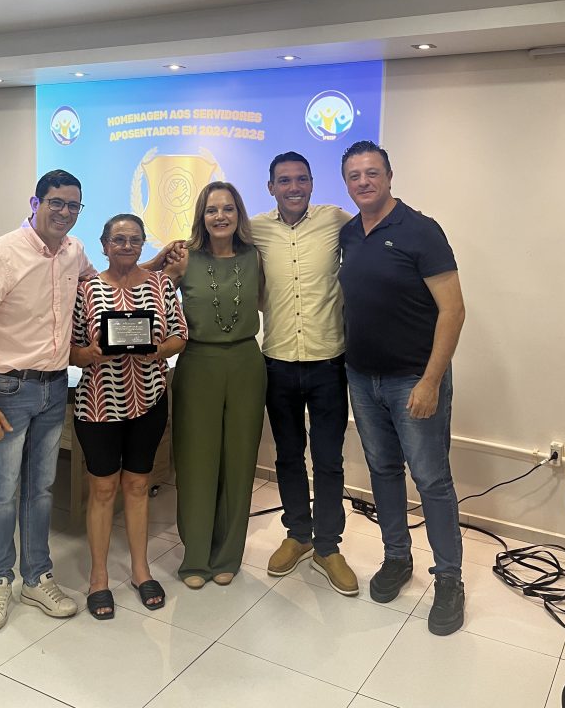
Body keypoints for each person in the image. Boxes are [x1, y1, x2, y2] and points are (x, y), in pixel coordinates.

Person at [0, 168, 95, 632]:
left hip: (55, 387)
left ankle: (36, 577)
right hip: (8, 391)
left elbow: (101, 286)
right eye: (56, 202)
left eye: (73, 205)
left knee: (41, 490)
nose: (65, 212)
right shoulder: (1, 254)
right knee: (2, 492)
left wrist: (153, 267)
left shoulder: (74, 251)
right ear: (35, 204)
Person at [338, 140, 466, 635]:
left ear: (389, 177)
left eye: (372, 173)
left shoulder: (420, 230)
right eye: (354, 175)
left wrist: (431, 380)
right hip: (361, 377)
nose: (364, 182)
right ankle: (397, 558)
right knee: (383, 471)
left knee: (431, 480)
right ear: (346, 183)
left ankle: (449, 579)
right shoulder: (350, 233)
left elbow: (453, 310)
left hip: (414, 379)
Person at [251, 152, 358, 596]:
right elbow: (210, 247)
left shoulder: (336, 220)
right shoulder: (254, 229)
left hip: (329, 362)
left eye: (301, 179)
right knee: (288, 457)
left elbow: (374, 237)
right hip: (277, 361)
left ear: (312, 183)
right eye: (284, 180)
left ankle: (328, 547)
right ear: (271, 187)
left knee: (329, 460)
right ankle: (298, 535)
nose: (293, 187)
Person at [70, 213, 187, 620]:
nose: (126, 246)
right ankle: (98, 577)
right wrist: (88, 354)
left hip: (148, 402)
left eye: (134, 239)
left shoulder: (160, 285)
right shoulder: (86, 289)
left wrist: (160, 350)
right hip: (98, 404)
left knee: (137, 486)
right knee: (103, 490)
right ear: (104, 245)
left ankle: (140, 571)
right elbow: (69, 348)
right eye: (118, 239)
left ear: (142, 245)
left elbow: (180, 335)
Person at [166, 182, 266, 589]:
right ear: (201, 217)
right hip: (197, 364)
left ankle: (227, 555)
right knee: (195, 461)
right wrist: (160, 260)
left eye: (228, 208)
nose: (220, 216)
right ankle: (195, 556)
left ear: (238, 214)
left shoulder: (256, 256)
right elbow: (145, 293)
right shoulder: (184, 259)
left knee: (239, 462)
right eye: (212, 210)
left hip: (246, 364)